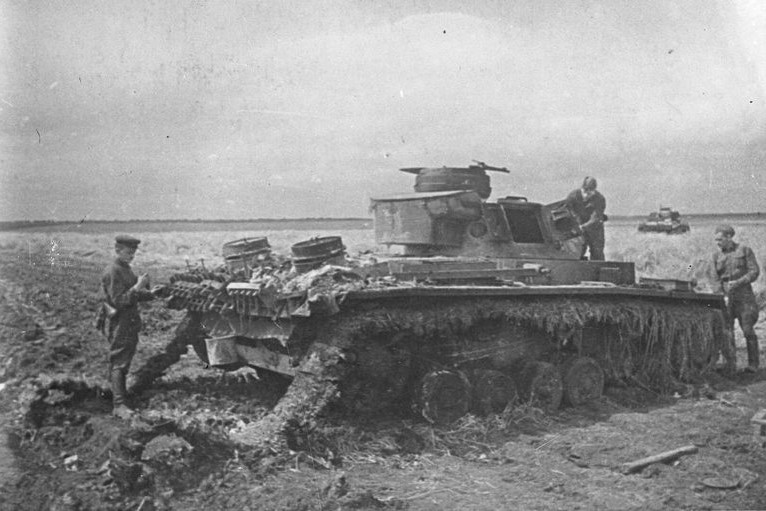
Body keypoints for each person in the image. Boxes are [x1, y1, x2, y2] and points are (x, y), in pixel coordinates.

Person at [101, 235, 158, 418]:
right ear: (117, 250)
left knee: (123, 359)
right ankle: (119, 405)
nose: (131, 256)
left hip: (129, 321)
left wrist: (151, 293)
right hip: (120, 322)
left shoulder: (125, 268)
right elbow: (119, 301)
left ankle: (118, 395)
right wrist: (138, 286)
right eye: (128, 253)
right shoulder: (113, 271)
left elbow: (133, 296)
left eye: (133, 253)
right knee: (119, 360)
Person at [711, 224, 761, 372]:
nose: (717, 243)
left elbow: (754, 272)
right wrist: (721, 295)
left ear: (729, 237)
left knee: (747, 330)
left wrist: (739, 282)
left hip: (744, 296)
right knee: (727, 331)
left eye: (720, 239)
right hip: (726, 298)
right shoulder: (716, 256)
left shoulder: (745, 250)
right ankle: (730, 365)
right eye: (716, 240)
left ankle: (753, 365)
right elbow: (714, 278)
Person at [566, 176, 607, 260]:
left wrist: (583, 227)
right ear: (582, 189)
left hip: (594, 229)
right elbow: (569, 211)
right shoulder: (573, 196)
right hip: (577, 228)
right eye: (585, 191)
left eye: (590, 191)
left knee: (597, 252)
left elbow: (596, 217)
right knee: (576, 252)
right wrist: (576, 225)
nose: (587, 194)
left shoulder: (599, 199)